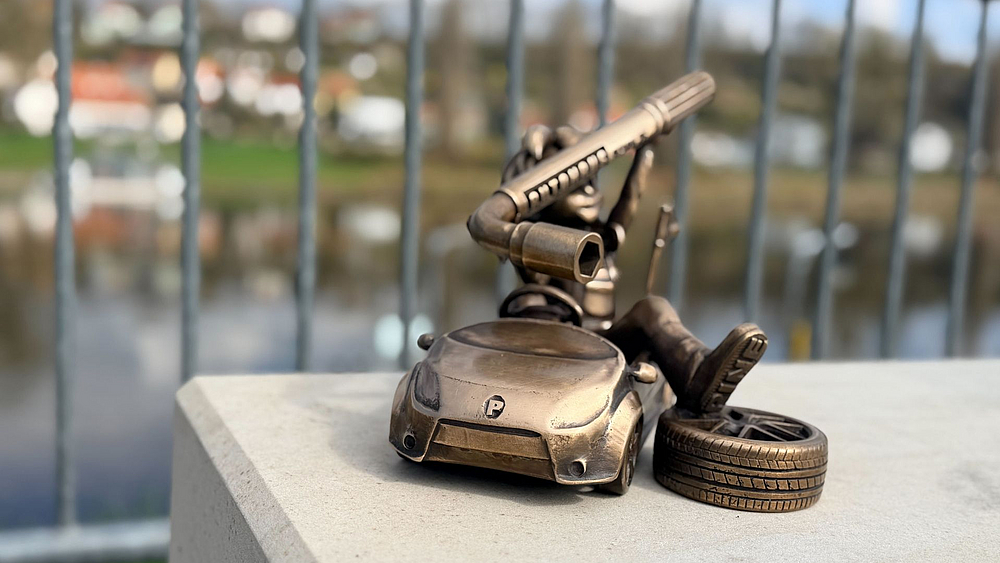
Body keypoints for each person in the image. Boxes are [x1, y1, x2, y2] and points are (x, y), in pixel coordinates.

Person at [500, 124, 767, 414]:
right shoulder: (538, 245)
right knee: (532, 304)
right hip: (567, 360)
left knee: (652, 310)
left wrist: (645, 150)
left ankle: (696, 372)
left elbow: (631, 199)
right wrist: (532, 154)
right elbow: (511, 225)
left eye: (592, 180)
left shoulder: (600, 240)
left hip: (608, 349)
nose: (590, 190)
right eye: (575, 185)